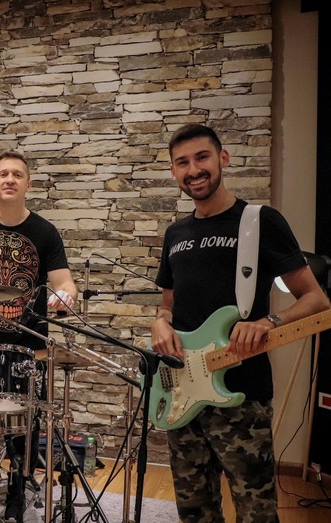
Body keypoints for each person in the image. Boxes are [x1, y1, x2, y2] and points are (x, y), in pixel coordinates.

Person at [150, 123, 330, 522]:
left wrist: (269, 321)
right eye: (182, 163)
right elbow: (168, 306)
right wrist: (159, 323)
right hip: (183, 393)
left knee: (256, 512)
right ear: (174, 171)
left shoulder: (260, 222)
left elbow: (317, 300)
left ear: (223, 159)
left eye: (202, 157)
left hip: (242, 395)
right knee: (194, 510)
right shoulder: (175, 233)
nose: (194, 170)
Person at [0, 150, 78, 523]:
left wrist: (65, 295)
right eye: (3, 174)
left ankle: (19, 490)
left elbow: (65, 281)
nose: (9, 179)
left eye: (17, 174)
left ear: (27, 184)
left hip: (29, 347)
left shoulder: (45, 232)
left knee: (28, 424)